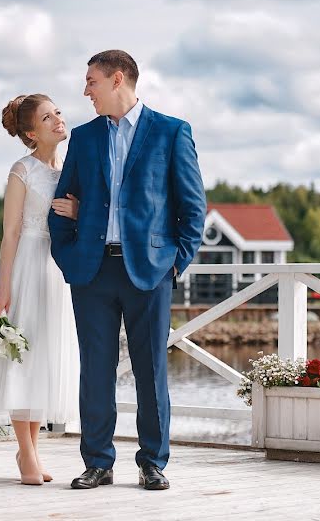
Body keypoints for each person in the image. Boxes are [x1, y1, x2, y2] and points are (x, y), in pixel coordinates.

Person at [48, 50, 206, 491]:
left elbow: (193, 209)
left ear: (118, 79)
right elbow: (60, 209)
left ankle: (153, 463)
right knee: (94, 370)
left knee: (151, 370)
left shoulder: (172, 132)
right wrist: (69, 256)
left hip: (150, 271)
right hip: (92, 273)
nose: (85, 91)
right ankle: (97, 462)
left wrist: (175, 263)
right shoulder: (84, 137)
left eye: (91, 82)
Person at [0, 94, 80, 485]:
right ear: (32, 132)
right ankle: (25, 452)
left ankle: (31, 451)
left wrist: (77, 212)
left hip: (56, 269)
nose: (58, 119)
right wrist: (4, 286)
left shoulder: (67, 169)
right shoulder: (22, 170)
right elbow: (10, 232)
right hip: (25, 264)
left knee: (44, 356)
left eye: (58, 112)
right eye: (48, 117)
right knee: (20, 356)